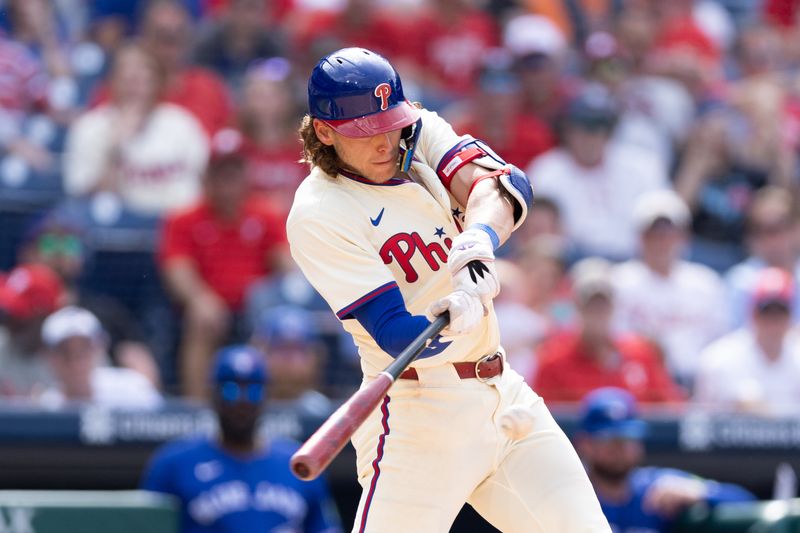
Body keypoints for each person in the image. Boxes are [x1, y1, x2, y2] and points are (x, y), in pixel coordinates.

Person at [287, 47, 610, 532]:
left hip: (506, 398)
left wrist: (478, 239)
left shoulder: (414, 130)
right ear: (325, 132)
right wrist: (455, 314)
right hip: (420, 419)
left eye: (389, 122)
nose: (385, 141)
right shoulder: (319, 211)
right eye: (365, 132)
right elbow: (394, 333)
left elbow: (506, 186)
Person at [140, 345, 343, 533]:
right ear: (213, 393)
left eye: (253, 390)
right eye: (231, 390)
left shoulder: (299, 463)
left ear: (266, 395)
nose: (242, 401)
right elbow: (146, 527)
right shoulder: (174, 463)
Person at [159, 128, 287, 400]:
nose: (228, 181)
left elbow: (286, 266)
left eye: (234, 171)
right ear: (209, 177)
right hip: (210, 309)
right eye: (221, 172)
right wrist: (200, 298)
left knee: (279, 324)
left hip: (255, 308)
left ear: (246, 175)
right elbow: (176, 268)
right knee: (201, 319)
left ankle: (268, 407)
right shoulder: (184, 218)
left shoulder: (266, 214)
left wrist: (275, 301)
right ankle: (197, 408)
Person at [575, 387, 755, 532]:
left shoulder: (654, 487)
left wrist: (698, 492)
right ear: (585, 443)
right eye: (609, 439)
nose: (620, 447)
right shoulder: (572, 494)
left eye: (628, 437)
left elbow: (747, 504)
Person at [525, 83, 670, 262]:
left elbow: (666, 218)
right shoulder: (546, 170)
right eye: (583, 127)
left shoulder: (641, 165)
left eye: (599, 128)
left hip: (635, 261)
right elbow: (538, 236)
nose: (591, 136)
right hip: (570, 263)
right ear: (568, 130)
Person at [64, 43, 209, 217]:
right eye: (127, 77)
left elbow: (208, 184)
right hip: (116, 231)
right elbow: (84, 203)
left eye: (142, 78)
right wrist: (115, 149)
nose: (134, 85)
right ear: (112, 82)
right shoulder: (90, 127)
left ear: (158, 82)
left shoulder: (181, 123)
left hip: (178, 226)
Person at [611, 190, 728, 389]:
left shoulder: (706, 283)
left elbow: (721, 343)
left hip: (698, 384)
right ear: (640, 237)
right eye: (654, 234)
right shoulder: (619, 282)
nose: (662, 241)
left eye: (669, 233)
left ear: (684, 236)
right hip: (638, 384)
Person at [534, 257, 686, 404]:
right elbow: (540, 418)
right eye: (590, 306)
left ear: (613, 307)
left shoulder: (640, 353)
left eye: (603, 306)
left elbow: (670, 409)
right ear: (577, 308)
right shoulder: (553, 359)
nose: (598, 314)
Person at [694, 267, 800, 416]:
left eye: (780, 313)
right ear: (753, 314)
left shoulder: (797, 355)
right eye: (767, 313)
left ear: (790, 317)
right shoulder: (719, 359)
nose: (773, 322)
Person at [39, 305, 162, 410]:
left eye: (84, 350)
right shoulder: (46, 406)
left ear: (98, 350)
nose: (76, 362)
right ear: (50, 358)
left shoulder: (131, 389)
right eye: (66, 353)